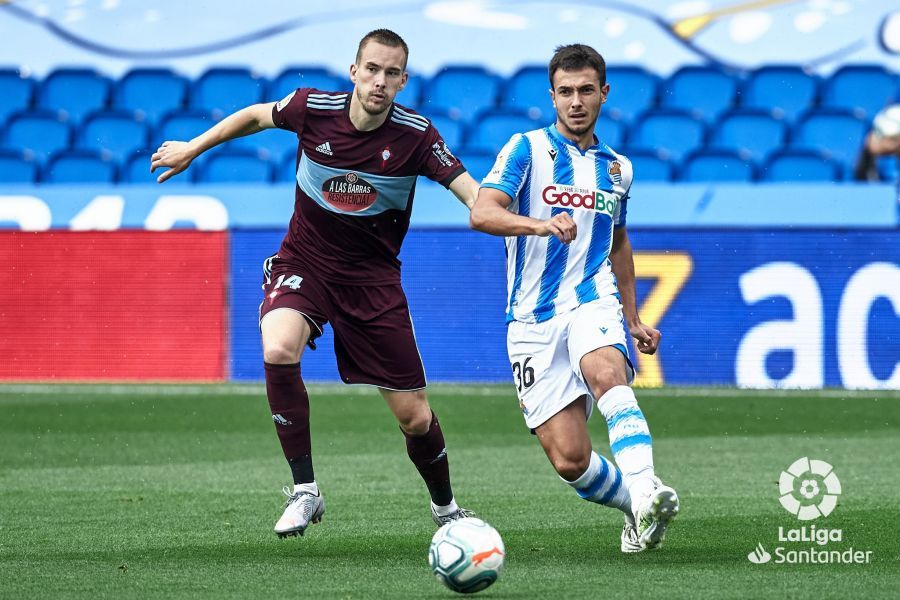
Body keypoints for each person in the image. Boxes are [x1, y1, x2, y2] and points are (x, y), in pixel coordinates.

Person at [151, 29, 479, 538]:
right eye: (371, 69)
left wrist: (516, 221)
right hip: (305, 261)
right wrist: (193, 148)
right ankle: (305, 491)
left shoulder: (417, 137)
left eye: (392, 73)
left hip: (372, 283)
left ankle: (445, 507)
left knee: (414, 418)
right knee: (279, 346)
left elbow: (471, 194)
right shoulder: (312, 108)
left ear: (403, 81)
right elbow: (258, 115)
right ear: (354, 71)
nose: (380, 81)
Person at [469, 44, 679, 553]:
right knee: (570, 459)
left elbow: (619, 240)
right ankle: (635, 506)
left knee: (605, 369)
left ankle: (648, 484)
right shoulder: (526, 149)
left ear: (604, 94)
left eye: (587, 90)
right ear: (552, 96)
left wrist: (631, 316)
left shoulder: (618, 169)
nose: (576, 101)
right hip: (531, 317)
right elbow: (482, 212)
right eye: (566, 92)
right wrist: (539, 224)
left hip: (592, 297)